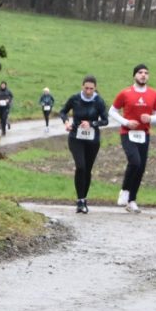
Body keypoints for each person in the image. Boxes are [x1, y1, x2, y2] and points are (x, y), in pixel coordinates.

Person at [109, 63, 156, 214]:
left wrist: (150, 118)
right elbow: (112, 111)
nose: (143, 75)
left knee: (141, 167)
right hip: (127, 133)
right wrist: (126, 122)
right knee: (135, 161)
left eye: (146, 73)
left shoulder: (154, 94)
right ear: (134, 76)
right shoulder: (125, 93)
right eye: (140, 72)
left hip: (144, 134)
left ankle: (131, 201)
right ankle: (124, 191)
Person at [59, 75, 109, 214]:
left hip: (92, 140)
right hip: (76, 137)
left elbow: (105, 121)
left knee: (87, 169)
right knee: (80, 166)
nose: (88, 91)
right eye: (86, 88)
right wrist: (66, 122)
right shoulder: (75, 99)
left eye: (91, 89)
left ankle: (83, 199)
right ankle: (80, 200)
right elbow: (63, 111)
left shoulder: (99, 101)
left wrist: (92, 123)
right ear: (82, 86)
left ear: (95, 88)